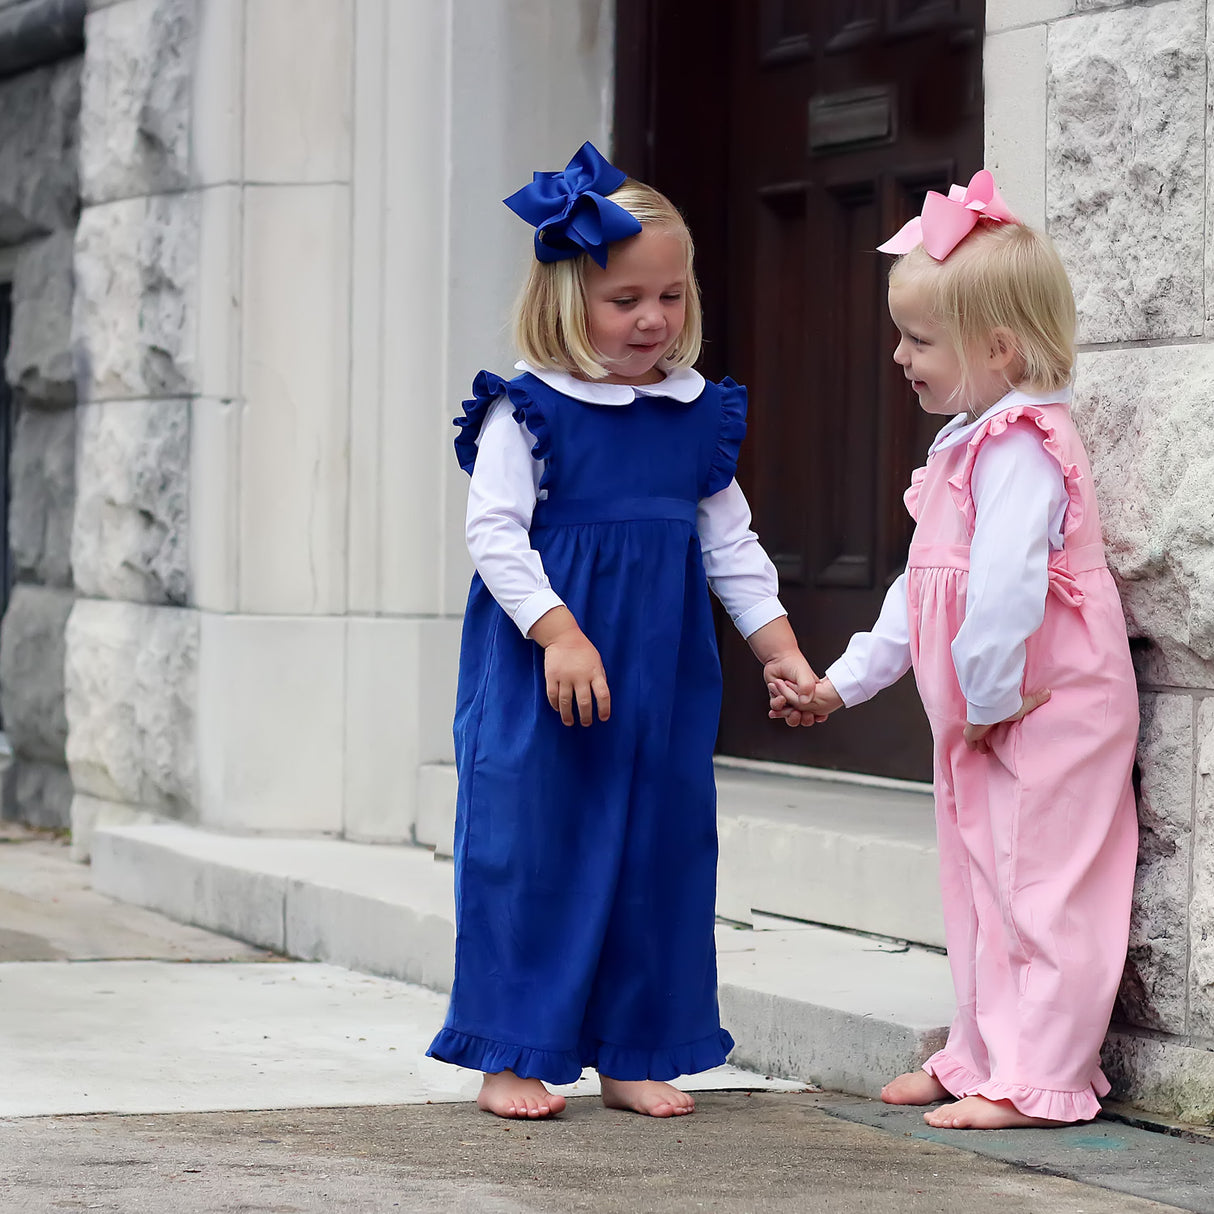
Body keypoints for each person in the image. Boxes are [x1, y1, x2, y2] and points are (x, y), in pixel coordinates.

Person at [428, 142, 818, 1120]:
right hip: (544, 677)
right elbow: (493, 534)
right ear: (566, 300)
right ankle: (512, 1050)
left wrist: (778, 649)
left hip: (658, 678)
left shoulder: (693, 416)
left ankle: (638, 1044)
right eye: (625, 299)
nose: (652, 319)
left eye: (672, 297)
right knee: (533, 854)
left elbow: (730, 543)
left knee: (658, 855)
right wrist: (557, 630)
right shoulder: (528, 411)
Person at [774, 171, 1139, 1129]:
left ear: (999, 348)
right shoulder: (963, 449)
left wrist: (981, 700)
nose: (899, 356)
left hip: (1040, 707)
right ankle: (981, 1052)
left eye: (919, 340)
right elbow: (919, 589)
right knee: (979, 884)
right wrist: (844, 682)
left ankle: (1043, 1076)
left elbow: (1010, 591)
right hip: (985, 715)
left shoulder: (1022, 448)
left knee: (1044, 890)